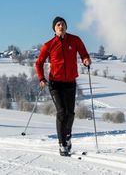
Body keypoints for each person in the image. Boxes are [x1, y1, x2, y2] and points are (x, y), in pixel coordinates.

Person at [35, 16, 91, 156]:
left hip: (70, 82)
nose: (61, 26)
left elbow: (84, 54)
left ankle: (67, 136)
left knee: (70, 113)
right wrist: (41, 78)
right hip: (55, 83)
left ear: (66, 27)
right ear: (54, 28)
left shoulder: (75, 40)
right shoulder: (49, 45)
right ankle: (62, 144)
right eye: (58, 24)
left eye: (63, 24)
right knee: (62, 112)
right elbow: (39, 63)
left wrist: (86, 60)